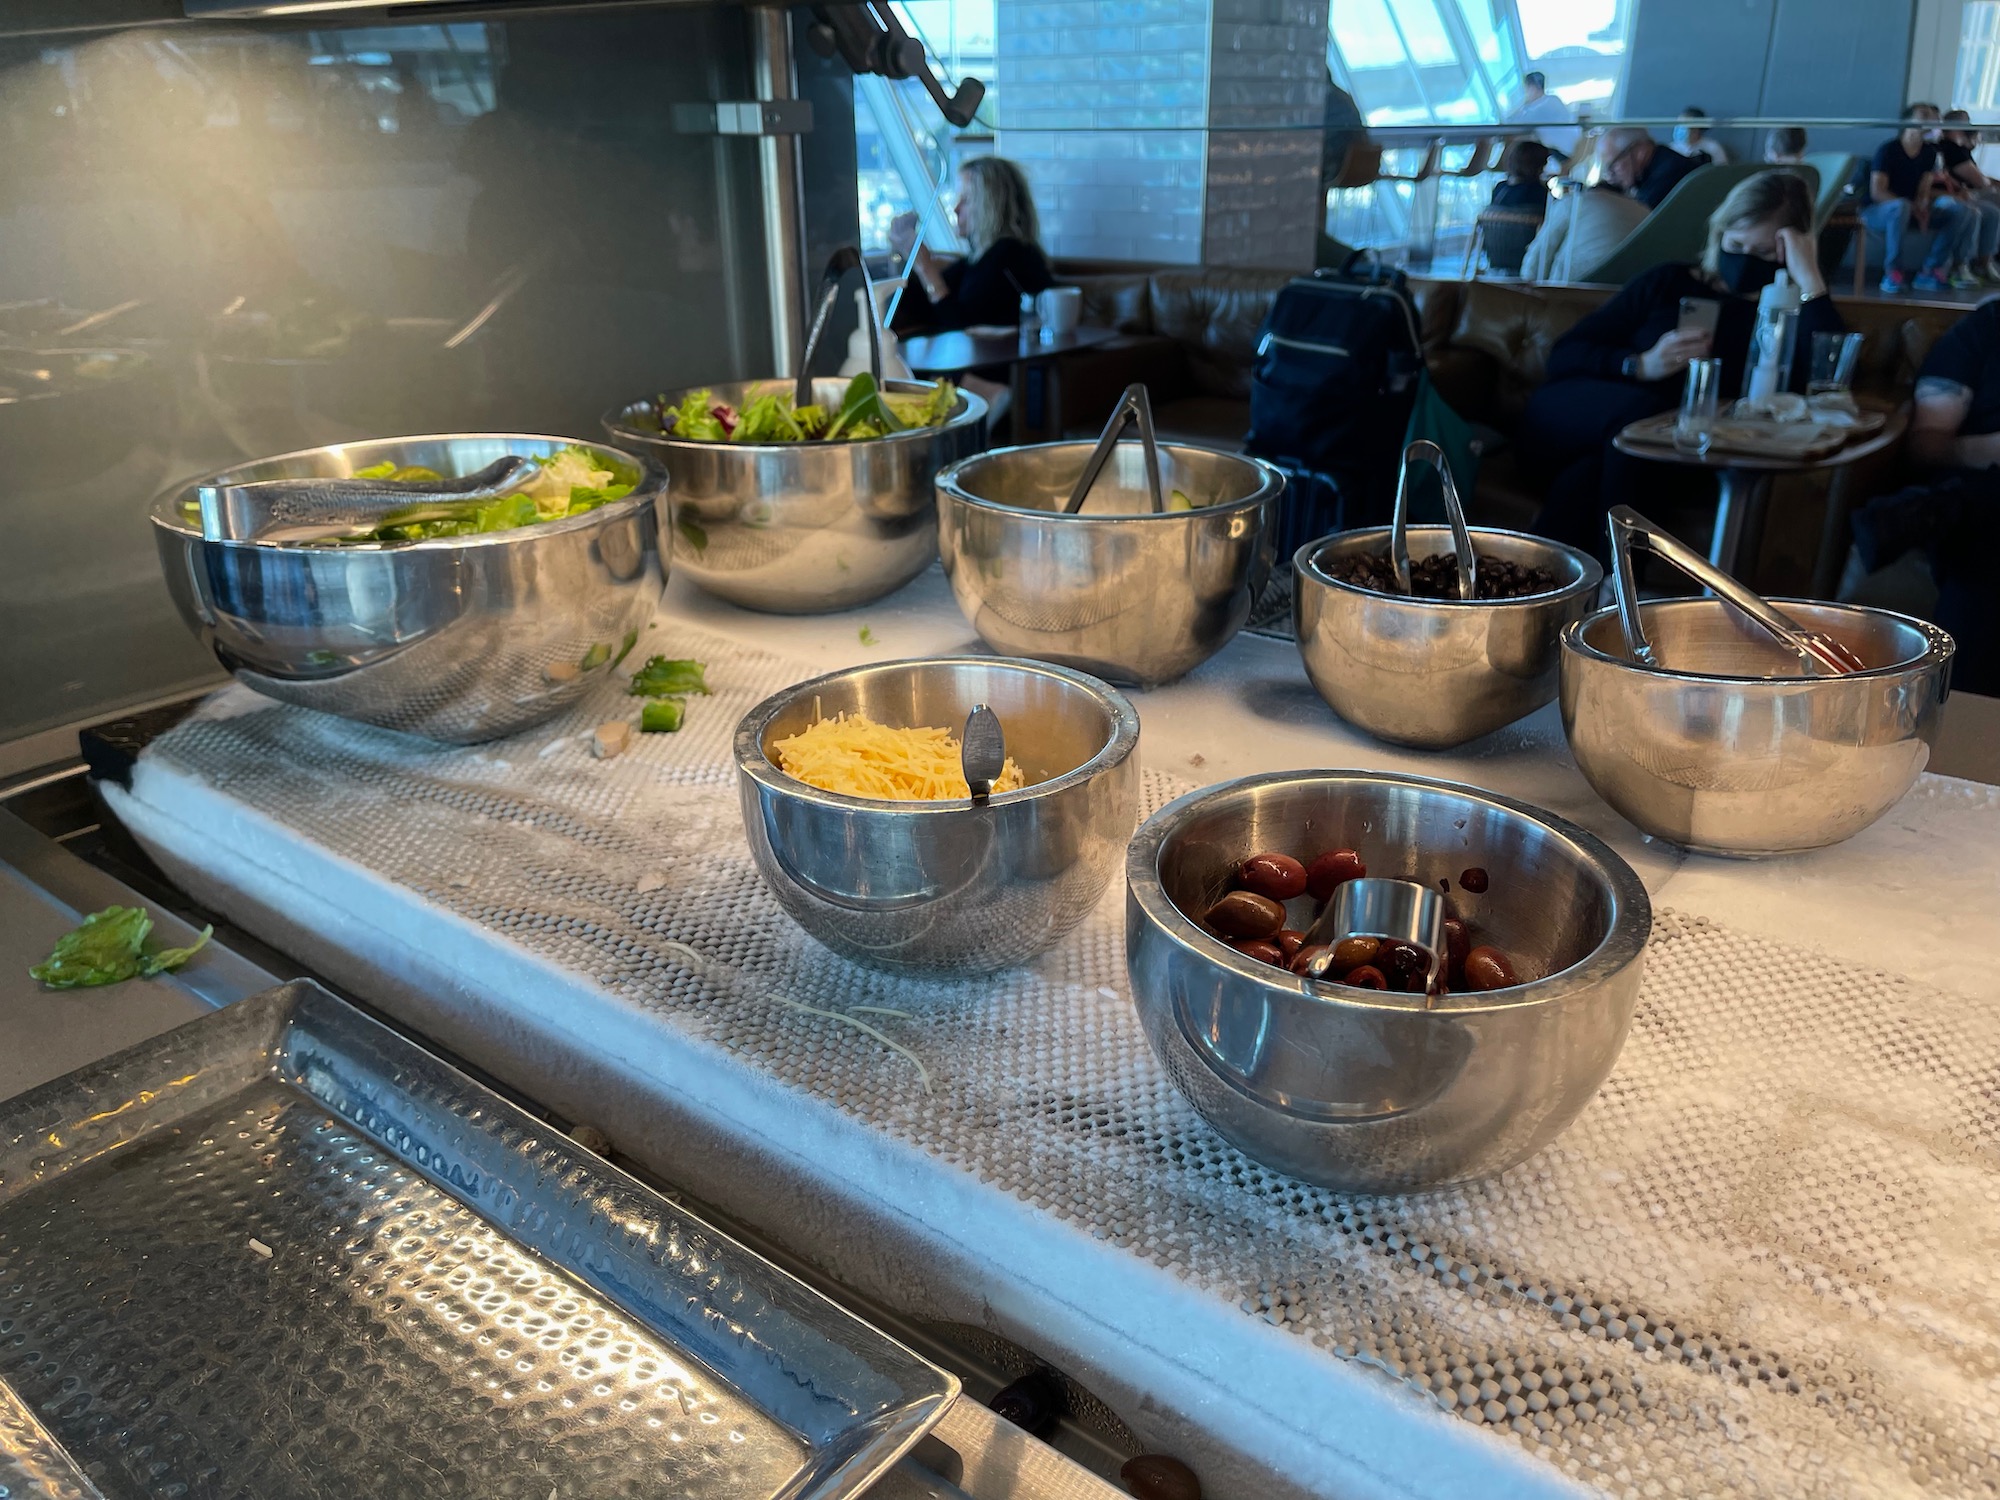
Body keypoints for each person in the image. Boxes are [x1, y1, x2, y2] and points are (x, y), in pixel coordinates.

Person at [1517, 170, 1845, 559]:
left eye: (1761, 253)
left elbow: (1830, 378)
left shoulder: (1783, 316)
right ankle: (1618, 589)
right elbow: (1565, 354)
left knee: (1588, 476)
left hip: (1660, 451)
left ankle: (1569, 590)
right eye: (1735, 244)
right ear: (1719, 234)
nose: (1743, 261)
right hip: (1577, 412)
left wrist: (1811, 281)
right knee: (1638, 421)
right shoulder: (1668, 281)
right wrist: (1640, 364)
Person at [1843, 300, 2000, 692]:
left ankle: (1940, 508)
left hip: (1972, 501)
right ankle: (1962, 718)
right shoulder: (1985, 330)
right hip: (1984, 489)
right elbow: (1926, 447)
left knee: (1972, 511)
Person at [889, 157, 1051, 333]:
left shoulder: (1010, 256)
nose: (956, 208)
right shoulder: (979, 258)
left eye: (966, 200)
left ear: (991, 206)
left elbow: (961, 327)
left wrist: (925, 267)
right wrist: (907, 253)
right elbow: (920, 305)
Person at [1863, 103, 1977, 294]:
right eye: (1923, 115)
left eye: (1932, 117)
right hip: (1879, 211)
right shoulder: (1889, 150)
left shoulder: (1929, 153)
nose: (1929, 120)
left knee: (1963, 211)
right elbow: (1877, 192)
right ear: (1907, 121)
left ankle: (1931, 270)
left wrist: (1922, 206)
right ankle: (1893, 272)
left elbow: (1923, 191)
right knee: (1900, 208)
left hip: (1909, 209)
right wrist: (1909, 206)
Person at [1520, 179, 1647, 282]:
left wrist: (1526, 289)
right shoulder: (1644, 211)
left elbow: (1542, 249)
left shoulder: (1574, 201)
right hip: (1630, 290)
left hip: (1573, 285)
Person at [1939, 109, 2000, 284]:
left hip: (1965, 193)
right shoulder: (1952, 150)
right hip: (1955, 195)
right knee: (1988, 204)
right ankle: (1960, 265)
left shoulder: (1961, 150)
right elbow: (1979, 181)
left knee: (1993, 212)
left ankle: (1985, 262)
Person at [1481, 139, 1552, 275]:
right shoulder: (1539, 193)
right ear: (1539, 165)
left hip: (1495, 260)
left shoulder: (1499, 189)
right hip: (1527, 261)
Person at [1598, 126, 1698, 210]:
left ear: (1639, 152)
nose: (1610, 177)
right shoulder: (1666, 162)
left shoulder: (1664, 179)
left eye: (1612, 165)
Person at [1505, 71, 1579, 159]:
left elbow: (1514, 123)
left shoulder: (1540, 108)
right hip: (1572, 146)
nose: (1526, 93)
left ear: (1533, 88)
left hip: (1562, 152)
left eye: (1526, 89)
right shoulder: (1553, 99)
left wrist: (1523, 105)